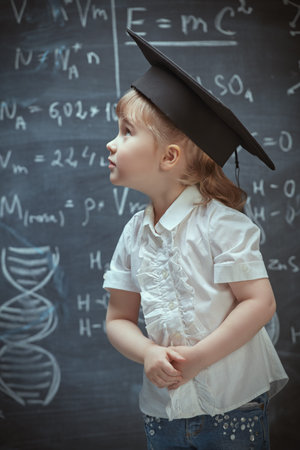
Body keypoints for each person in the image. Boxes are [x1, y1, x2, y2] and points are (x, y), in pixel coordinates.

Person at [103, 29, 288, 450]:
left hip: (233, 405)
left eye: (126, 132)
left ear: (169, 158)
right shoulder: (133, 233)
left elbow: (260, 302)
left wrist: (196, 358)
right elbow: (117, 320)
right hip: (163, 411)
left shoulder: (222, 226)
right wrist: (148, 353)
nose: (112, 143)